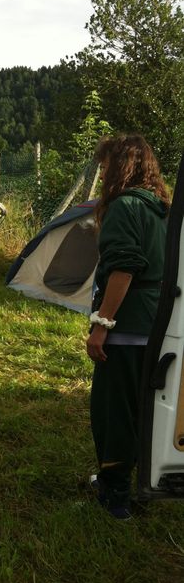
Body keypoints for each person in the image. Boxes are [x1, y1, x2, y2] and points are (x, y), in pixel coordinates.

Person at [86, 134, 170, 519]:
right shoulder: (164, 210)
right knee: (144, 412)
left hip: (128, 325)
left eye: (105, 166)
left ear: (119, 167)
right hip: (160, 326)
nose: (103, 173)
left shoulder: (125, 207)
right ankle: (139, 485)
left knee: (113, 410)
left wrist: (102, 324)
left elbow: (124, 268)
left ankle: (114, 494)